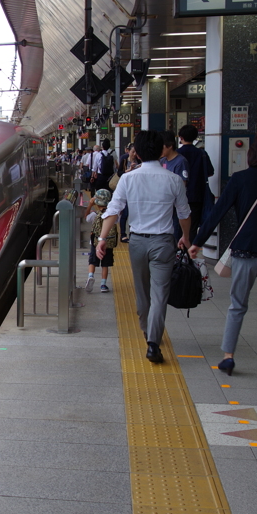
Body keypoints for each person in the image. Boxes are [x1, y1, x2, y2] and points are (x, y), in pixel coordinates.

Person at [189, 129, 257, 382]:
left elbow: (217, 212)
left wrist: (198, 241)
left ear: (254, 152)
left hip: (244, 251)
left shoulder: (240, 179)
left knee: (237, 306)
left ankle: (228, 355)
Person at [97, 130, 191, 364]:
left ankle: (147, 331)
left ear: (136, 152)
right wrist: (186, 237)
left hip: (137, 242)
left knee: (142, 293)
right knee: (160, 294)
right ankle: (153, 343)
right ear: (161, 150)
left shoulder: (129, 178)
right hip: (164, 242)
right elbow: (184, 214)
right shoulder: (174, 179)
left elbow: (114, 209)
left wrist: (102, 238)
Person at [176, 125, 216, 237]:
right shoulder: (202, 154)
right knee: (192, 227)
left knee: (177, 226)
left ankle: (178, 251)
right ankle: (189, 250)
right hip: (197, 195)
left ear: (181, 137)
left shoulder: (176, 154)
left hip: (179, 195)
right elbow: (210, 172)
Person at [84, 188, 118, 293]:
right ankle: (103, 285)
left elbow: (86, 217)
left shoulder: (94, 215)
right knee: (105, 264)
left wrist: (90, 205)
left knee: (92, 261)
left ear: (97, 203)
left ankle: (91, 276)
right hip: (108, 243)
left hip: (95, 243)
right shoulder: (112, 216)